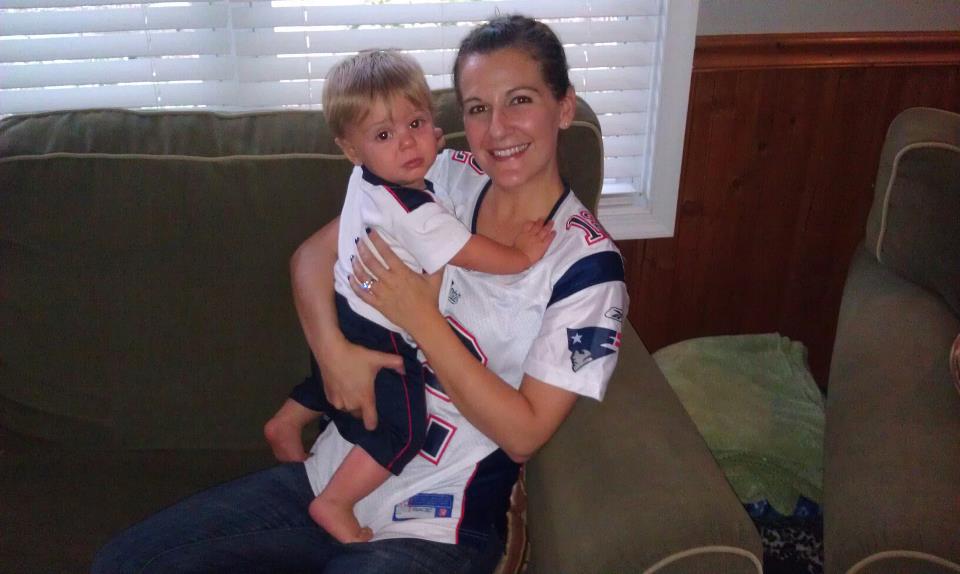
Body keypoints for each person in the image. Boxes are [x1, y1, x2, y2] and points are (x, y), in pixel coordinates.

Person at [92, 14, 627, 574]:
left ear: (564, 106)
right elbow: (311, 258)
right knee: (125, 563)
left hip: (435, 525)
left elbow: (523, 435)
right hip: (331, 476)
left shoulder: (587, 266)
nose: (497, 129)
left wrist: (420, 318)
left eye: (519, 100)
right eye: (477, 108)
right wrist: (334, 356)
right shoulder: (441, 172)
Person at [262, 48, 554, 544]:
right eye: (384, 135)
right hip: (382, 331)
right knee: (401, 429)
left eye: (416, 124)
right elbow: (468, 251)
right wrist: (520, 256)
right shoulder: (414, 207)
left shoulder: (365, 179)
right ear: (351, 150)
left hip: (345, 306)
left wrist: (331, 348)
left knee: (330, 379)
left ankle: (287, 420)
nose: (406, 143)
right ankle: (335, 502)